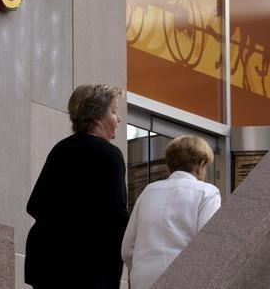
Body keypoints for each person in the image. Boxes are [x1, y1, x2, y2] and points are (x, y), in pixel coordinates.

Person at [24, 83, 129, 289]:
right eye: (114, 111)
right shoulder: (109, 154)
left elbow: (35, 205)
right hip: (88, 265)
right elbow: (117, 215)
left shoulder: (60, 149)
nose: (118, 119)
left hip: (45, 260)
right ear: (97, 118)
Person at [121, 135, 221, 288]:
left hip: (143, 279)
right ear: (200, 165)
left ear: (169, 165)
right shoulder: (207, 192)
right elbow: (209, 246)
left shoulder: (148, 192)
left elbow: (127, 248)